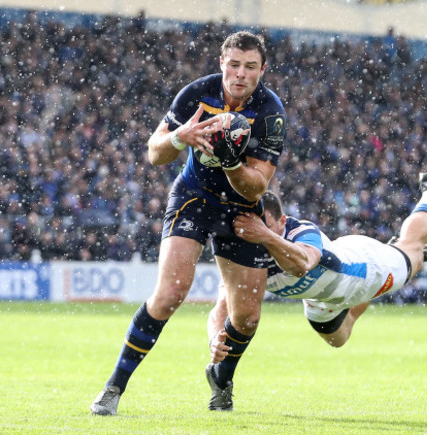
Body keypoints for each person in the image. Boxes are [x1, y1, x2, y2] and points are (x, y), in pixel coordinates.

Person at [90, 31, 286, 415]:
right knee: (169, 294)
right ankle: (113, 388)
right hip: (194, 196)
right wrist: (180, 137)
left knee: (246, 316)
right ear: (221, 63)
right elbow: (154, 153)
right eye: (233, 65)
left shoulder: (270, 112)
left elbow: (257, 185)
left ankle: (222, 379)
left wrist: (231, 161)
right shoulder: (197, 93)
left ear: (263, 69)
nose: (240, 74)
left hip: (240, 207)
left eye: (250, 67)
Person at [208, 170, 427, 362]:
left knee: (414, 252)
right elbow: (222, 304)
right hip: (320, 297)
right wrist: (215, 340)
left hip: (364, 267)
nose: (254, 233)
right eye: (249, 228)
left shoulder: (299, 232)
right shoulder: (244, 255)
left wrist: (265, 236)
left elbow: (302, 263)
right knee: (338, 339)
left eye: (265, 226)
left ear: (282, 221)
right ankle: (364, 292)